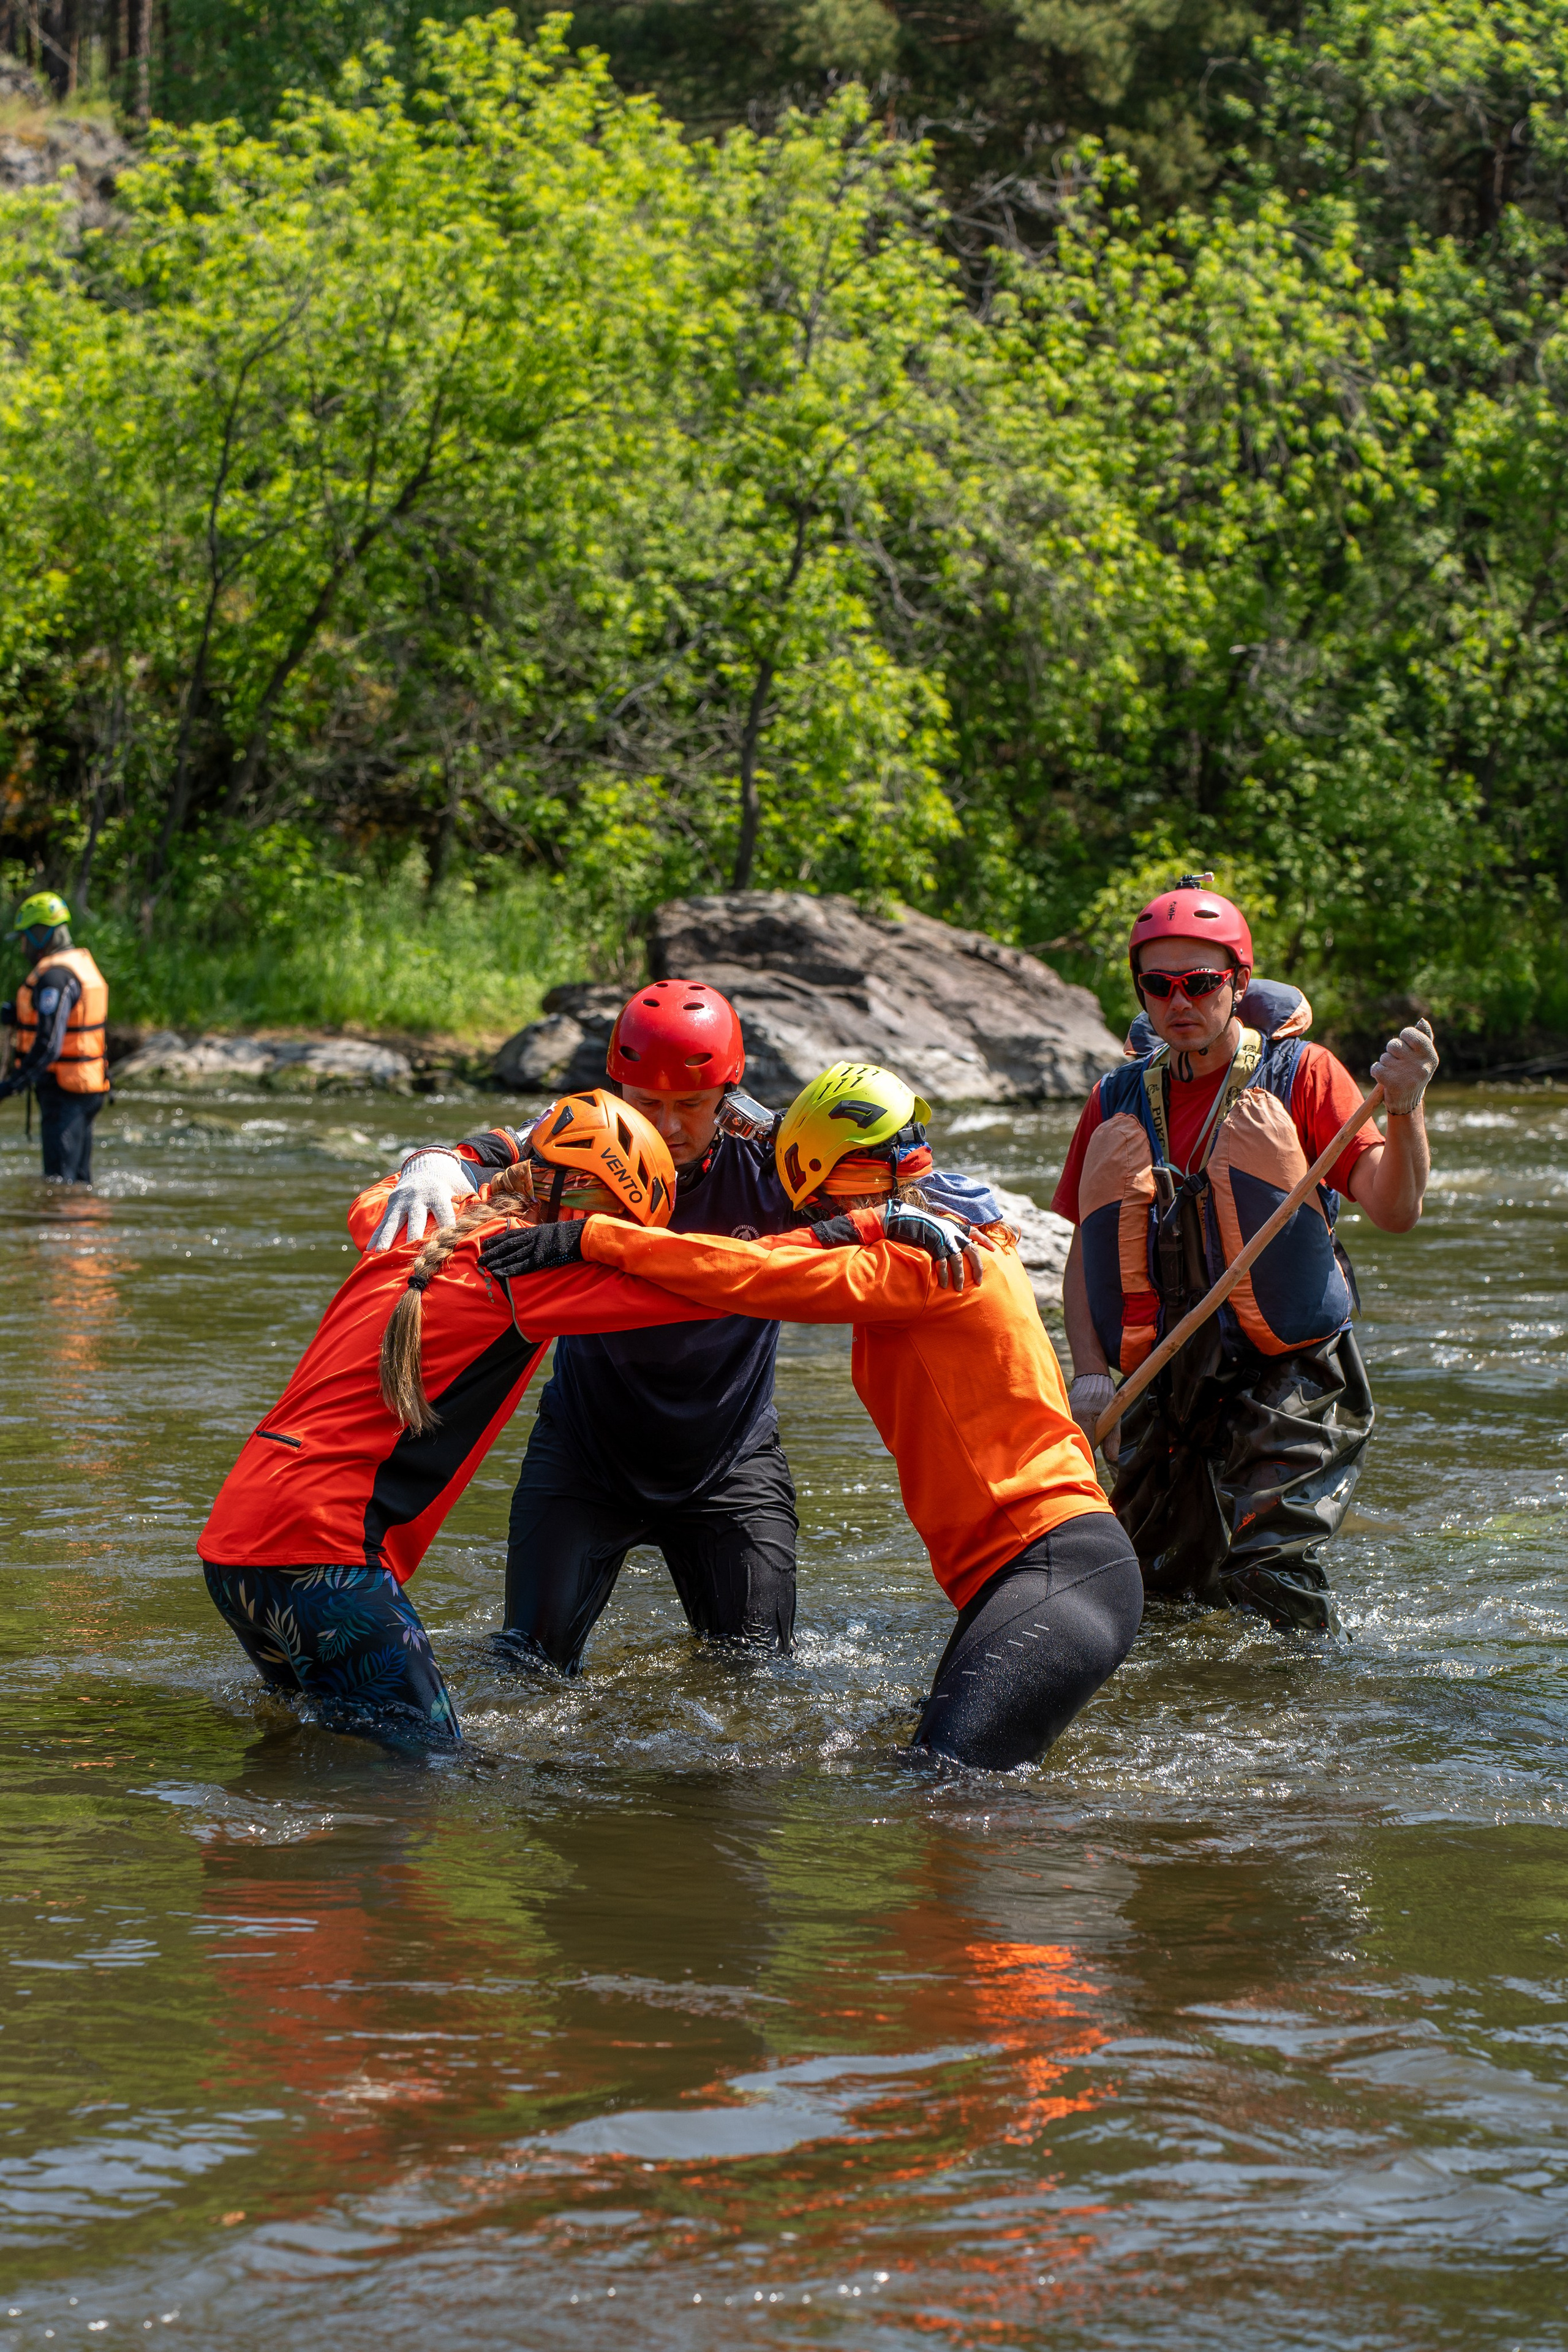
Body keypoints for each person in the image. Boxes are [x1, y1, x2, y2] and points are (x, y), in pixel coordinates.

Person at [481, 1061, 1145, 1772]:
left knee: (947, 1790)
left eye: (812, 1200)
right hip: (1035, 1572)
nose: (804, 1215)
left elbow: (751, 1273)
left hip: (1048, 1564)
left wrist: (594, 1238)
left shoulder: (916, 1265)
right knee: (941, 1789)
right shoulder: (954, 1230)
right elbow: (797, 1221)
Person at [364, 981, 1000, 1676]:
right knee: (526, 1674)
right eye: (648, 1105)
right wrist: (430, 1161)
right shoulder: (583, 1147)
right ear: (618, 1092)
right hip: (585, 1455)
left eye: (691, 1105)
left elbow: (892, 1169)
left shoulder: (779, 1161)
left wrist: (936, 1204)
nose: (668, 1126)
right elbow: (485, 1153)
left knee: (757, 1682)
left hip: (731, 1464)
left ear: (729, 1094)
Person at [198, 1092, 706, 1744]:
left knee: (311, 1747)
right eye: (616, 1221)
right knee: (424, 1774)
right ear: (575, 1199)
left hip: (236, 1545)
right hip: (324, 1556)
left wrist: (448, 1156)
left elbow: (372, 1200)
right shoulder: (531, 1270)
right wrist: (855, 1239)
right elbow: (724, 1281)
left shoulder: (411, 1219)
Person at [1051, 873, 1439, 1633]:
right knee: (1152, 1588)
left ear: (1239, 982)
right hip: (1168, 1373)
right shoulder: (1115, 1098)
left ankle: (1297, 1725)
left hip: (1292, 1366)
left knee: (1268, 1570)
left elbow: (1396, 1211)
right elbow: (1083, 1250)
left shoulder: (1305, 1074)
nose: (1179, 1003)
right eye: (1158, 985)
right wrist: (1090, 1371)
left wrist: (1405, 1108)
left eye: (1200, 982)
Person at [0, 891, 111, 1181]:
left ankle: (62, 1223)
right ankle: (85, 1224)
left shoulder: (54, 977)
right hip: (86, 1088)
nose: (23, 945)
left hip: (66, 1095)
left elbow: (49, 1044)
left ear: (40, 936)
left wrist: (13, 1084)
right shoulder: (75, 967)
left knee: (59, 1182)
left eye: (25, 937)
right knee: (78, 1179)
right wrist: (16, 1015)